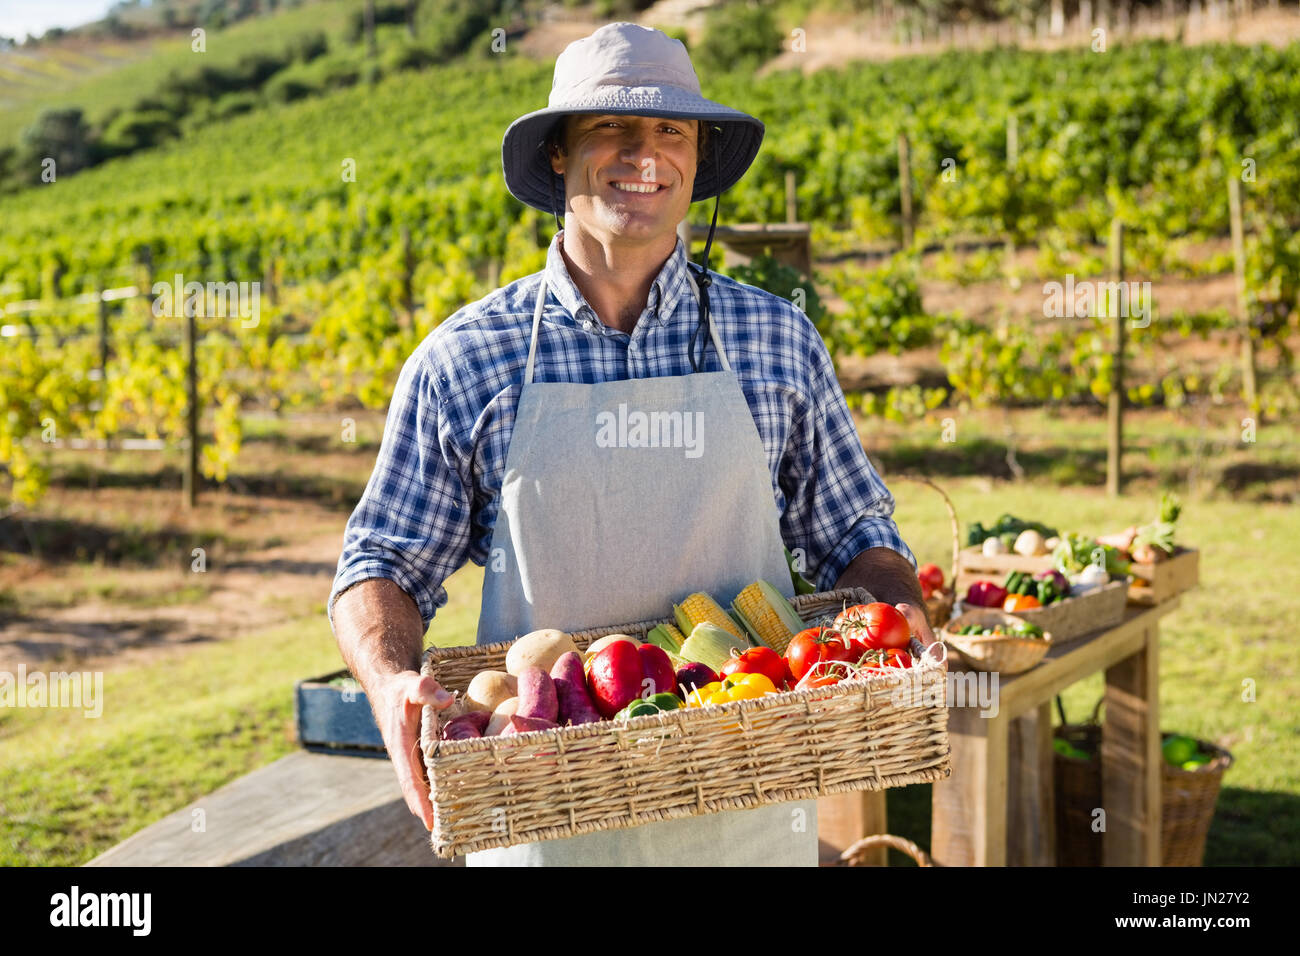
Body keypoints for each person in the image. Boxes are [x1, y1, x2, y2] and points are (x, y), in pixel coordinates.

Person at [328, 21, 939, 866]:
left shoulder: (777, 341)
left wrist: (895, 603)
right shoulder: (466, 362)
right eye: (611, 127)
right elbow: (381, 565)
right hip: (544, 819)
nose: (643, 153)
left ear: (697, 156)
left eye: (670, 130)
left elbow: (857, 538)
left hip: (751, 810)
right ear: (557, 154)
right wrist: (393, 678)